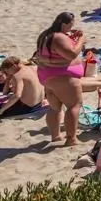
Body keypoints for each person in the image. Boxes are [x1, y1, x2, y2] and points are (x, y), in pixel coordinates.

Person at [35, 12, 87, 147]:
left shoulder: (46, 35)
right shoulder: (58, 37)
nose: (71, 27)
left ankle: (55, 136)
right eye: (71, 25)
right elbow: (71, 54)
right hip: (63, 77)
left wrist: (72, 38)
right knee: (74, 106)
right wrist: (81, 40)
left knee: (54, 108)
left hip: (48, 76)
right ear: (64, 24)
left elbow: (56, 51)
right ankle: (71, 139)